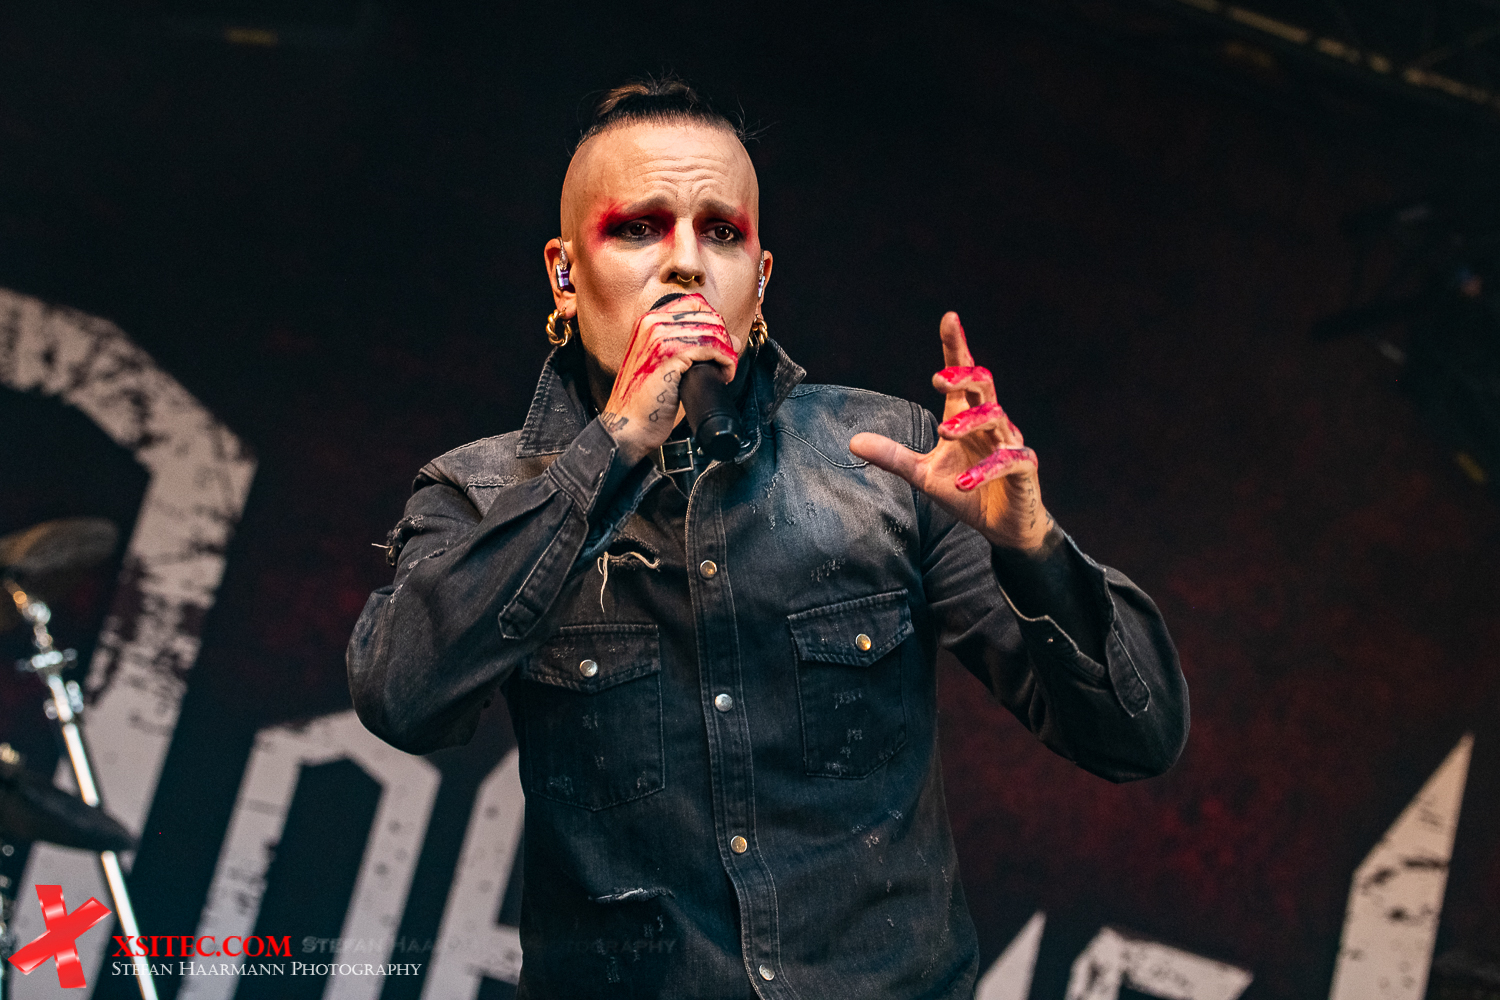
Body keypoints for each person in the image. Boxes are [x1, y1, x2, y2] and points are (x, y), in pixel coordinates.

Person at [347, 78, 1188, 999]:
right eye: (639, 228)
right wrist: (613, 447)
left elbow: (1136, 736)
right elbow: (404, 697)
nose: (685, 264)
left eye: (721, 232)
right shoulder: (480, 492)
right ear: (564, 272)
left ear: (760, 277)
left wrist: (1034, 547)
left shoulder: (889, 458)